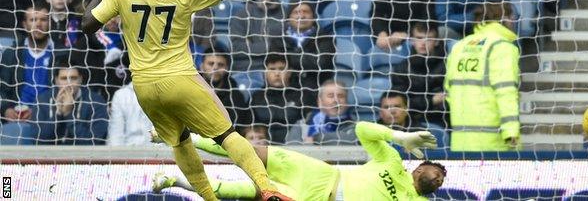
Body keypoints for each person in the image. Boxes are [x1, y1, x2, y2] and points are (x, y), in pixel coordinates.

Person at [80, 0, 291, 199]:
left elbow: (88, 24)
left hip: (145, 87)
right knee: (226, 134)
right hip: (180, 79)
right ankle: (268, 189)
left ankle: (210, 198)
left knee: (180, 141)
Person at [152, 121, 443, 200]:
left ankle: (173, 181)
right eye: (438, 170)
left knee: (245, 192)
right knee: (246, 150)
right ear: (420, 165)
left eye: (442, 180)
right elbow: (361, 130)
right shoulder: (392, 161)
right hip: (319, 173)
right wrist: (399, 136)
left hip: (313, 198)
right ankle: (172, 137)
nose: (439, 177)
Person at [444, 1, 520, 151]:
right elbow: (506, 92)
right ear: (505, 18)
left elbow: (448, 92)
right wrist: (511, 131)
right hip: (493, 142)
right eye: (512, 17)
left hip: (460, 140)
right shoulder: (502, 47)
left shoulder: (459, 46)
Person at [0, 3, 65, 122]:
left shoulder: (62, 54)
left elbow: (66, 91)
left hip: (49, 117)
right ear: (25, 25)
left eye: (43, 19)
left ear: (50, 23)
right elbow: (2, 89)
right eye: (33, 20)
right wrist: (6, 110)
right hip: (16, 117)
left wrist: (40, 110)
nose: (38, 24)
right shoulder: (11, 53)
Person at [392, 21, 449, 147]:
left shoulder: (448, 65)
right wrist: (432, 100)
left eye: (429, 39)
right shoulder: (402, 68)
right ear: (412, 40)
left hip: (443, 121)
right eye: (419, 38)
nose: (423, 43)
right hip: (411, 123)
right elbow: (400, 104)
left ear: (437, 41)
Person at [31, 58, 109, 145]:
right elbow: (38, 140)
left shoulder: (96, 101)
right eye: (64, 78)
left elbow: (94, 141)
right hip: (50, 156)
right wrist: (58, 113)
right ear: (56, 80)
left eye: (73, 78)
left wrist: (68, 114)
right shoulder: (42, 100)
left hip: (83, 156)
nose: (68, 83)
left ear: (80, 79)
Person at [230, 0, 284, 71]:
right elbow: (236, 48)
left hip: (276, 70)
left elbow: (285, 48)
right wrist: (269, 46)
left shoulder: (286, 15)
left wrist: (251, 45)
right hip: (247, 70)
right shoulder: (243, 14)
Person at [250, 54, 304, 144]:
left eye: (281, 69)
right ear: (265, 73)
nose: (277, 73)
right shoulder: (257, 97)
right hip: (264, 147)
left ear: (290, 72)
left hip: (295, 146)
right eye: (272, 69)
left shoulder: (300, 96)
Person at [200, 45, 251, 130]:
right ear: (202, 66)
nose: (215, 67)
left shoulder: (235, 96)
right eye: (211, 63)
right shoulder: (191, 90)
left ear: (227, 68)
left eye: (220, 65)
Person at [305, 80, 355, 144]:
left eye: (341, 96)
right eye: (330, 96)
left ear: (347, 102)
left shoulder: (356, 127)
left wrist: (315, 138)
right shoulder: (302, 127)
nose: (336, 100)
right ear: (320, 102)